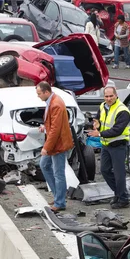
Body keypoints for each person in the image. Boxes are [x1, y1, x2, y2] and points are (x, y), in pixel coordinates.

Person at [87, 86, 130, 209]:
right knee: (105, 171)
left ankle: (123, 199)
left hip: (118, 144)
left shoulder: (123, 111)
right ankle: (118, 193)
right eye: (106, 96)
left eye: (111, 96)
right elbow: (99, 120)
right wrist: (96, 124)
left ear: (116, 95)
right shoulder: (103, 106)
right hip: (106, 144)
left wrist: (99, 133)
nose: (109, 98)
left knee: (119, 174)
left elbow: (117, 130)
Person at [36, 82, 74, 212]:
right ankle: (58, 196)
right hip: (56, 143)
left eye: (39, 93)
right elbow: (52, 124)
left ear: (46, 92)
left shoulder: (56, 104)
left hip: (58, 144)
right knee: (45, 166)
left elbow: (55, 130)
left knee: (58, 173)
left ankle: (60, 202)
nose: (38, 96)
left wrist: (46, 147)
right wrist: (44, 127)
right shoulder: (52, 101)